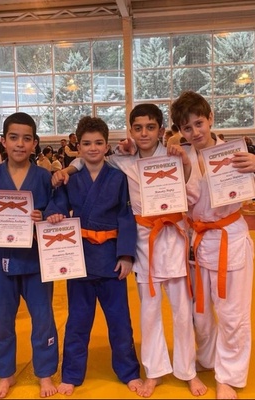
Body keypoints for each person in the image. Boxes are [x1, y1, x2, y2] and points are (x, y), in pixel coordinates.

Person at [53, 105, 207, 398]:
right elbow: (88, 159)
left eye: (150, 127)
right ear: (130, 131)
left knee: (181, 311)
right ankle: (154, 371)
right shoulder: (121, 161)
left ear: (161, 130)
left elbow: (192, 191)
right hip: (142, 242)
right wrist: (68, 168)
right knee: (148, 312)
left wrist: (185, 162)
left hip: (172, 238)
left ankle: (187, 371)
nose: (144, 133)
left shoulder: (174, 156)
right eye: (138, 128)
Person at [44, 116, 142, 396]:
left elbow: (126, 216)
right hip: (79, 259)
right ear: (78, 146)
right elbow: (57, 205)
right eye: (86, 143)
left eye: (99, 143)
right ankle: (71, 374)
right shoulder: (69, 178)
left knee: (120, 321)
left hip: (111, 259)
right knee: (77, 320)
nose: (93, 148)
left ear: (107, 145)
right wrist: (54, 214)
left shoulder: (118, 177)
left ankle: (129, 372)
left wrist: (126, 255)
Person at [170, 90, 254, 400]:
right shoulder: (182, 158)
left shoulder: (237, 154)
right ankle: (207, 359)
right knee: (200, 313)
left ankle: (228, 376)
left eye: (199, 123)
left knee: (232, 314)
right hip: (197, 240)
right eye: (187, 127)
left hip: (229, 237)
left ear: (211, 119)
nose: (194, 132)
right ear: (180, 130)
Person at [0, 112, 59, 399]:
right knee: (2, 320)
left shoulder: (44, 177)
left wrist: (44, 216)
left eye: (26, 139)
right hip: (3, 259)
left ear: (35, 143)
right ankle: (5, 374)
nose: (20, 144)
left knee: (43, 318)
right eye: (14, 138)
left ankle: (45, 373)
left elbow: (57, 210)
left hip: (37, 261)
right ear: (3, 142)